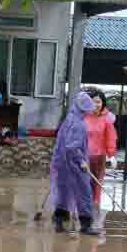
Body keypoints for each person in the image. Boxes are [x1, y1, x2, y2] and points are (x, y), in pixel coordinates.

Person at [49, 91, 99, 236]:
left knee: (63, 191)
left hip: (62, 163)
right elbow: (72, 146)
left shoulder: (69, 118)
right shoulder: (78, 124)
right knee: (84, 192)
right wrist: (82, 161)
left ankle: (59, 222)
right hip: (74, 164)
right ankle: (85, 225)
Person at [83, 88, 117, 208]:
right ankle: (81, 207)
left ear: (103, 103)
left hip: (99, 157)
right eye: (93, 101)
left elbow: (111, 138)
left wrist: (111, 155)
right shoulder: (83, 117)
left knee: (96, 184)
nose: (96, 105)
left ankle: (94, 207)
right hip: (83, 157)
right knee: (82, 182)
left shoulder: (107, 119)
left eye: (98, 102)